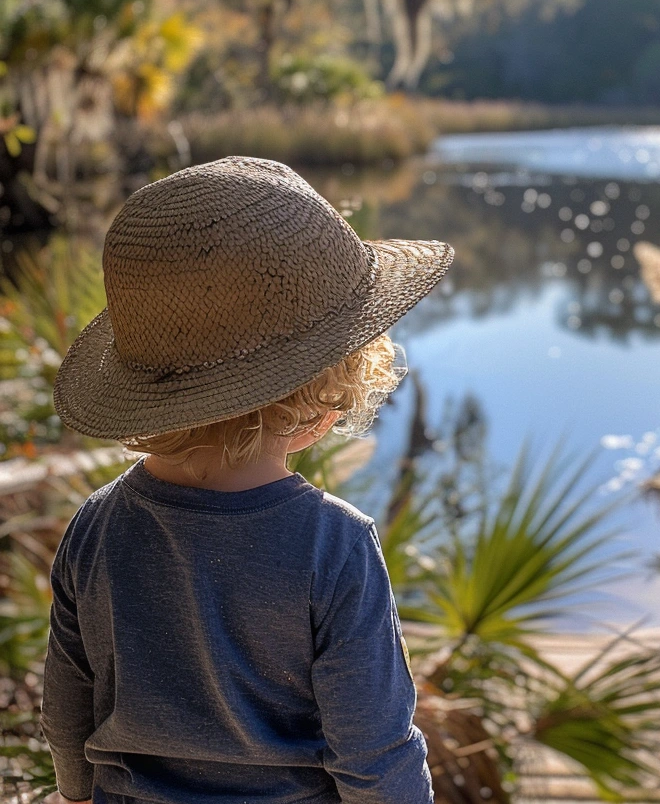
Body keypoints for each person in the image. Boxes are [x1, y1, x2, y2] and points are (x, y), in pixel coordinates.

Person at [41, 156, 454, 804]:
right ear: (325, 394)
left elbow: (67, 709)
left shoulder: (94, 525)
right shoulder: (335, 548)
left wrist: (74, 793)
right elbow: (377, 756)